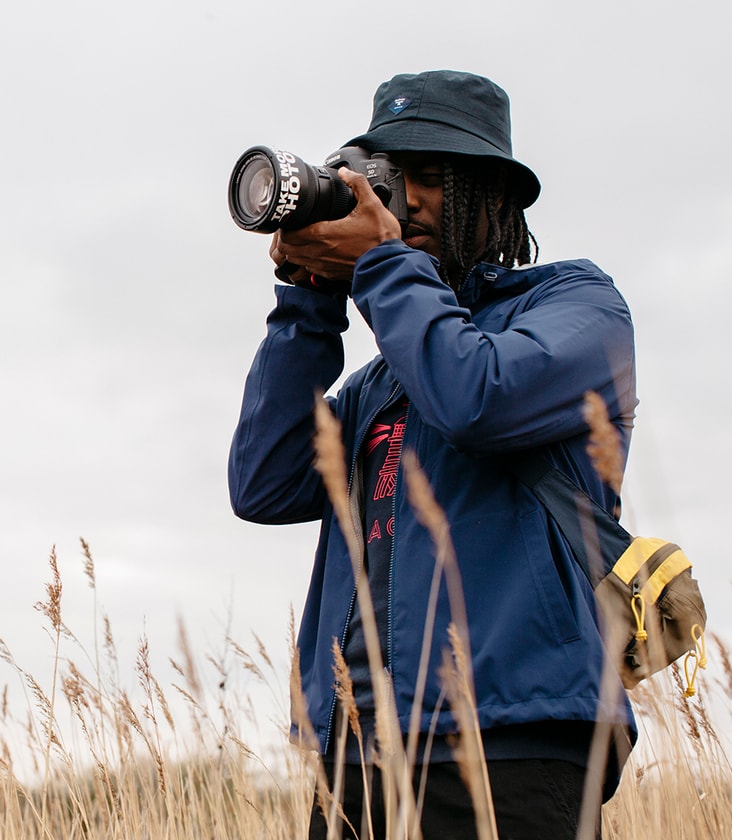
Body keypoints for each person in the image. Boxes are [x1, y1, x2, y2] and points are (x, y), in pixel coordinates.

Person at [227, 70, 637, 839]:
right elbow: (264, 483)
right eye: (383, 178)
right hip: (357, 748)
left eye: (425, 178)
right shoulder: (382, 379)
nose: (400, 201)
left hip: (510, 740)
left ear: (489, 194)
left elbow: (477, 397)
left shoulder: (577, 306)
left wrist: (383, 265)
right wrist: (309, 299)